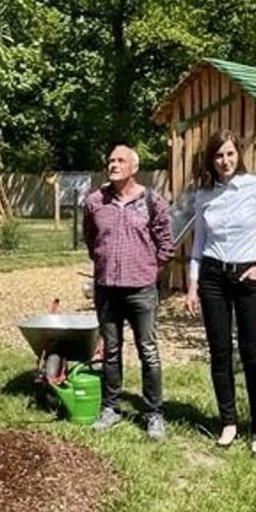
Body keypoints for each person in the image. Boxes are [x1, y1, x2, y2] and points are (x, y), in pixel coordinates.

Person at [184, 128, 256, 458]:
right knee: (220, 353)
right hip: (213, 277)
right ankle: (228, 421)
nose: (225, 161)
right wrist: (193, 284)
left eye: (229, 154)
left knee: (252, 354)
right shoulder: (204, 194)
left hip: (249, 278)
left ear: (238, 154)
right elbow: (198, 243)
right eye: (218, 155)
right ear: (211, 160)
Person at [83, 144, 174, 441]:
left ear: (134, 167)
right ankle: (110, 408)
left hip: (141, 290)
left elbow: (166, 243)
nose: (113, 164)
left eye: (120, 160)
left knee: (148, 351)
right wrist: (105, 266)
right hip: (107, 289)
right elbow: (91, 240)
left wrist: (148, 270)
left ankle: (154, 414)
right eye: (110, 160)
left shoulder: (152, 202)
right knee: (111, 350)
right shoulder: (95, 201)